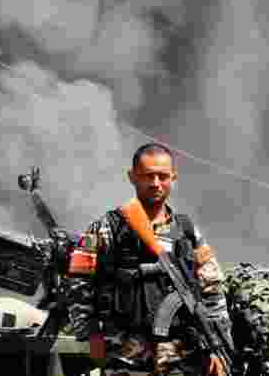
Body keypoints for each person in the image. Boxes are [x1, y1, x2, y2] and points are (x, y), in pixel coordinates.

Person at [67, 143, 232, 376]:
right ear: (132, 177)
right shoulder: (108, 227)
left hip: (180, 352)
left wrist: (218, 348)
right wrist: (90, 333)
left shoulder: (187, 231)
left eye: (163, 176)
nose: (155, 183)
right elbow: (78, 278)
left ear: (173, 178)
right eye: (147, 176)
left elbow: (212, 289)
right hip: (126, 348)